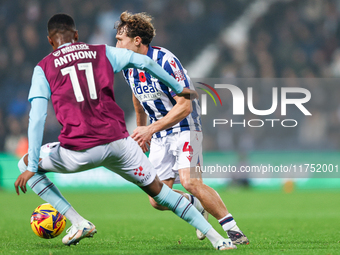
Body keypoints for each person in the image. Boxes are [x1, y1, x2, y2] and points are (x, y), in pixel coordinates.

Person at [14, 14, 236, 250]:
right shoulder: (102, 51)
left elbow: (37, 117)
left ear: (50, 41)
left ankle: (79, 222)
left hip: (79, 151)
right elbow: (146, 63)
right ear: (77, 36)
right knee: (161, 193)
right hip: (119, 143)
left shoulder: (43, 68)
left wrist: (31, 168)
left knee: (25, 164)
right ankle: (218, 239)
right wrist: (178, 88)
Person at [115, 11, 249, 245]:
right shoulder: (127, 66)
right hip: (158, 134)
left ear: (137, 40)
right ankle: (198, 205)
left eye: (120, 39)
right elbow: (137, 99)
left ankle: (234, 231)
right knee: (157, 199)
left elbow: (185, 106)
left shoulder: (166, 61)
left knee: (190, 182)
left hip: (186, 126)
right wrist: (141, 131)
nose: (116, 44)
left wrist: (149, 129)